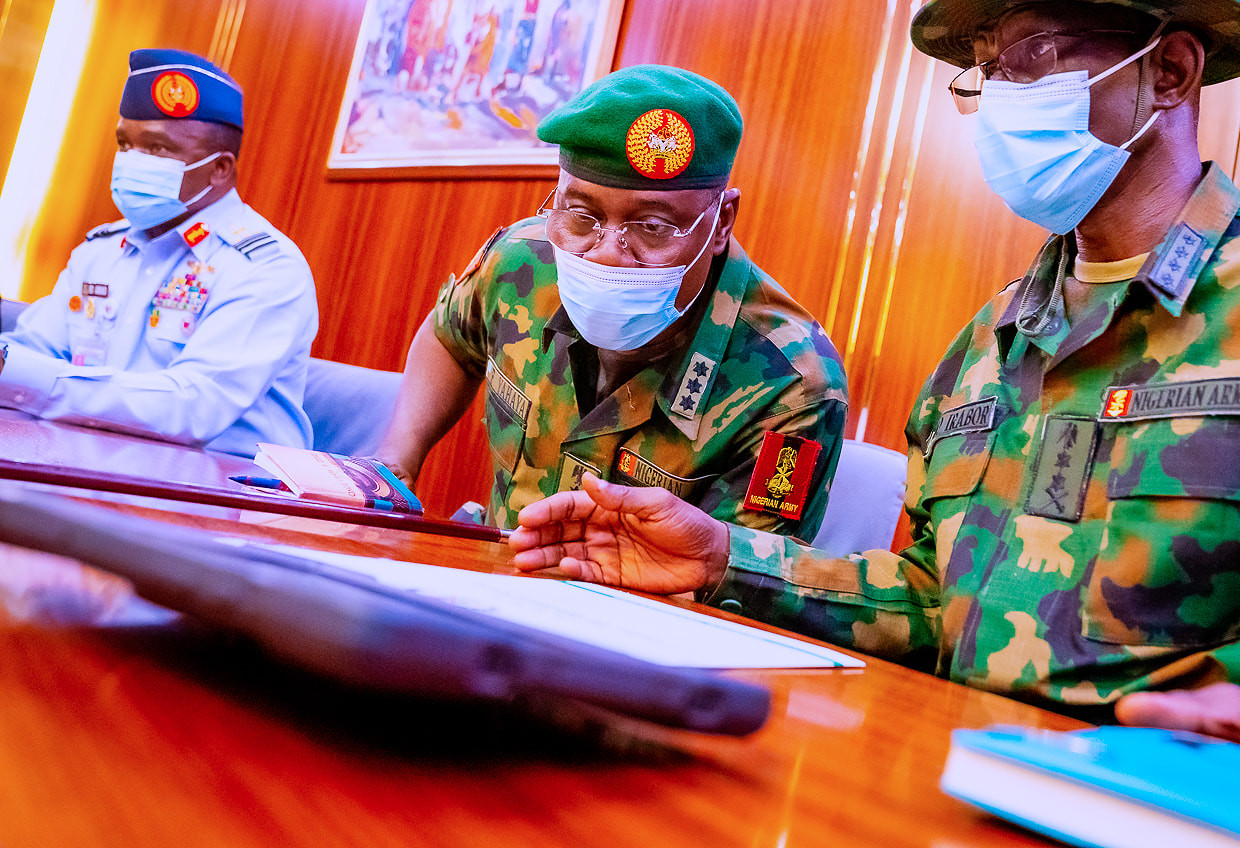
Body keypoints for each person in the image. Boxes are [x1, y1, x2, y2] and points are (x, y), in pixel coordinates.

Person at [508, 0, 1240, 831]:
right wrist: (724, 557)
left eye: (1036, 58)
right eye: (986, 72)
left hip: (1211, 810)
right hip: (964, 790)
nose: (1001, 98)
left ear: (1170, 72)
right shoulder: (986, 343)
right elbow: (939, 604)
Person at [376, 64, 847, 537]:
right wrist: (398, 461)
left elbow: (733, 580)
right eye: (581, 215)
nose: (605, 252)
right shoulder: (524, 262)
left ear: (722, 221)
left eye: (653, 227)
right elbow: (451, 338)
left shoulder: (791, 386)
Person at [0, 49, 317, 456]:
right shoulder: (102, 251)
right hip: (90, 461)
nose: (131, 161)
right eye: (124, 143)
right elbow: (30, 353)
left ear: (220, 169)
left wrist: (21, 373)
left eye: (157, 149)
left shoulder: (266, 268)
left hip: (216, 495)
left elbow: (190, 410)